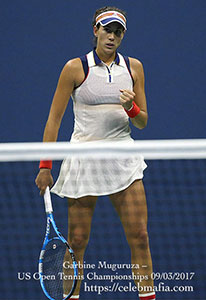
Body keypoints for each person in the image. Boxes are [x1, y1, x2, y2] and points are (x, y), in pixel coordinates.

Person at [35, 6, 156, 300]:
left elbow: (142, 122)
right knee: (76, 241)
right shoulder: (75, 68)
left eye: (118, 32)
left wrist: (131, 108)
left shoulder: (134, 68)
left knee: (140, 237)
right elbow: (54, 118)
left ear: (122, 35)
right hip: (84, 160)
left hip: (123, 159)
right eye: (107, 30)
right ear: (95, 30)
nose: (112, 37)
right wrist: (45, 166)